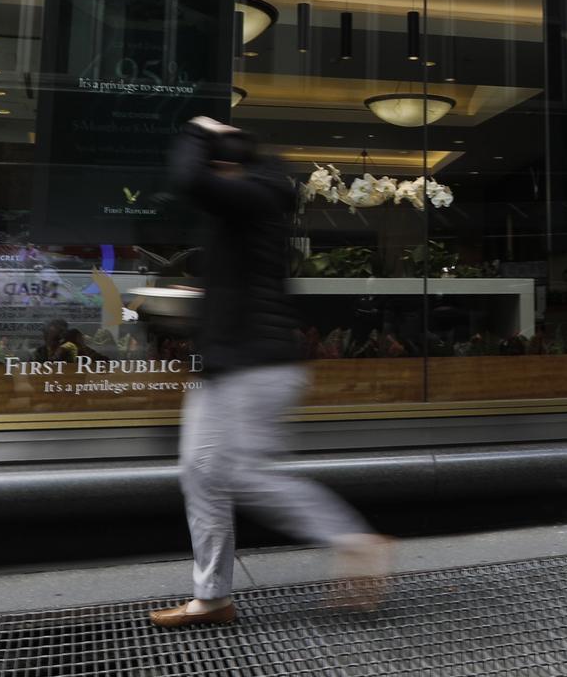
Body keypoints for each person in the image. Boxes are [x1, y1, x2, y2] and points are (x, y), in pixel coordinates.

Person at [147, 115, 390, 628]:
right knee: (201, 472)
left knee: (240, 473)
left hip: (253, 364)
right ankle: (212, 597)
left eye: (219, 162)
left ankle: (353, 540)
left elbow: (190, 180)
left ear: (229, 162)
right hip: (232, 360)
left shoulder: (256, 194)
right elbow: (237, 279)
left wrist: (197, 130)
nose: (215, 172)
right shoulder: (247, 205)